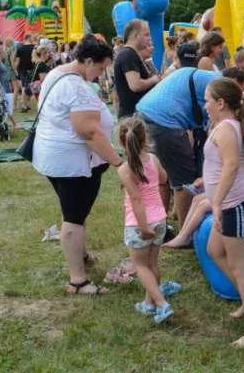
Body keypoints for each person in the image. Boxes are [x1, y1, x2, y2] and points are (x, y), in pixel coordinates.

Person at [31, 35, 125, 296]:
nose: (101, 73)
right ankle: (78, 281)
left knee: (73, 211)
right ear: (88, 61)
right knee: (73, 217)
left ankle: (80, 256)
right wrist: (118, 161)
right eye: (100, 67)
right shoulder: (76, 87)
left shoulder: (57, 73)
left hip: (55, 157)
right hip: (72, 163)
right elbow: (89, 132)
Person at [203, 77, 244, 348]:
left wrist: (216, 202)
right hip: (231, 203)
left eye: (207, 100)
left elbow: (230, 167)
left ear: (220, 103)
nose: (204, 105)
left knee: (241, 267)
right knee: (214, 250)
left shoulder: (227, 128)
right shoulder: (223, 126)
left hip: (237, 204)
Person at [135, 66, 220, 230]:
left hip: (145, 113)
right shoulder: (220, 85)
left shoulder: (203, 76)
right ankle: (185, 231)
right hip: (165, 122)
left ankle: (159, 226)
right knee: (185, 181)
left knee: (162, 177)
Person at [117, 117, 178, 324]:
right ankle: (148, 303)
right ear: (145, 139)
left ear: (121, 141)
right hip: (159, 218)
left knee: (140, 266)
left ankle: (161, 304)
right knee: (152, 263)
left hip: (139, 223)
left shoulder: (125, 170)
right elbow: (163, 179)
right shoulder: (153, 159)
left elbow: (136, 199)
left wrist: (143, 228)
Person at [113, 19, 161, 118]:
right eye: (146, 35)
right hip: (133, 118)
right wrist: (154, 79)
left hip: (135, 116)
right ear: (135, 36)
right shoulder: (128, 54)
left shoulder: (131, 54)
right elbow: (135, 85)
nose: (149, 38)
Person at [13, 35, 36, 112]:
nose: (33, 39)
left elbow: (17, 60)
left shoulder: (20, 48)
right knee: (29, 87)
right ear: (29, 38)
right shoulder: (34, 47)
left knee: (24, 86)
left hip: (22, 69)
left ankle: (25, 104)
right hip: (32, 69)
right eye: (32, 38)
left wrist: (15, 69)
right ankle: (24, 105)